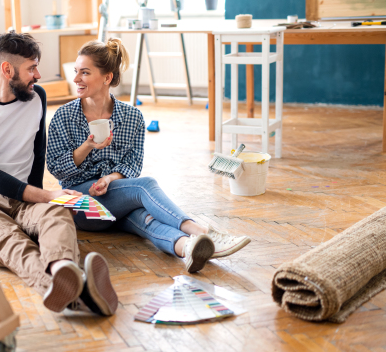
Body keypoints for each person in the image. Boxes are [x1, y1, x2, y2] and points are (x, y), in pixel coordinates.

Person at [0, 31, 117, 316]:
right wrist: (48, 194)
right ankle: (79, 292)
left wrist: (44, 203)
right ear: (7, 69)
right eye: (31, 68)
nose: (38, 75)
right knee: (13, 242)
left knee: (57, 213)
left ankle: (64, 270)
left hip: (21, 197)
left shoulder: (36, 96)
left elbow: (37, 155)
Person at [46, 38, 251, 273]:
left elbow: (133, 165)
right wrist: (88, 146)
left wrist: (110, 180)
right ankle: (204, 232)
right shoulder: (63, 116)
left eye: (84, 72)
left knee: (143, 218)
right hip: (80, 204)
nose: (76, 79)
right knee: (145, 187)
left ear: (107, 77)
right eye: (76, 72)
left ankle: (187, 247)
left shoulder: (133, 117)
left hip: (116, 200)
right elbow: (56, 168)